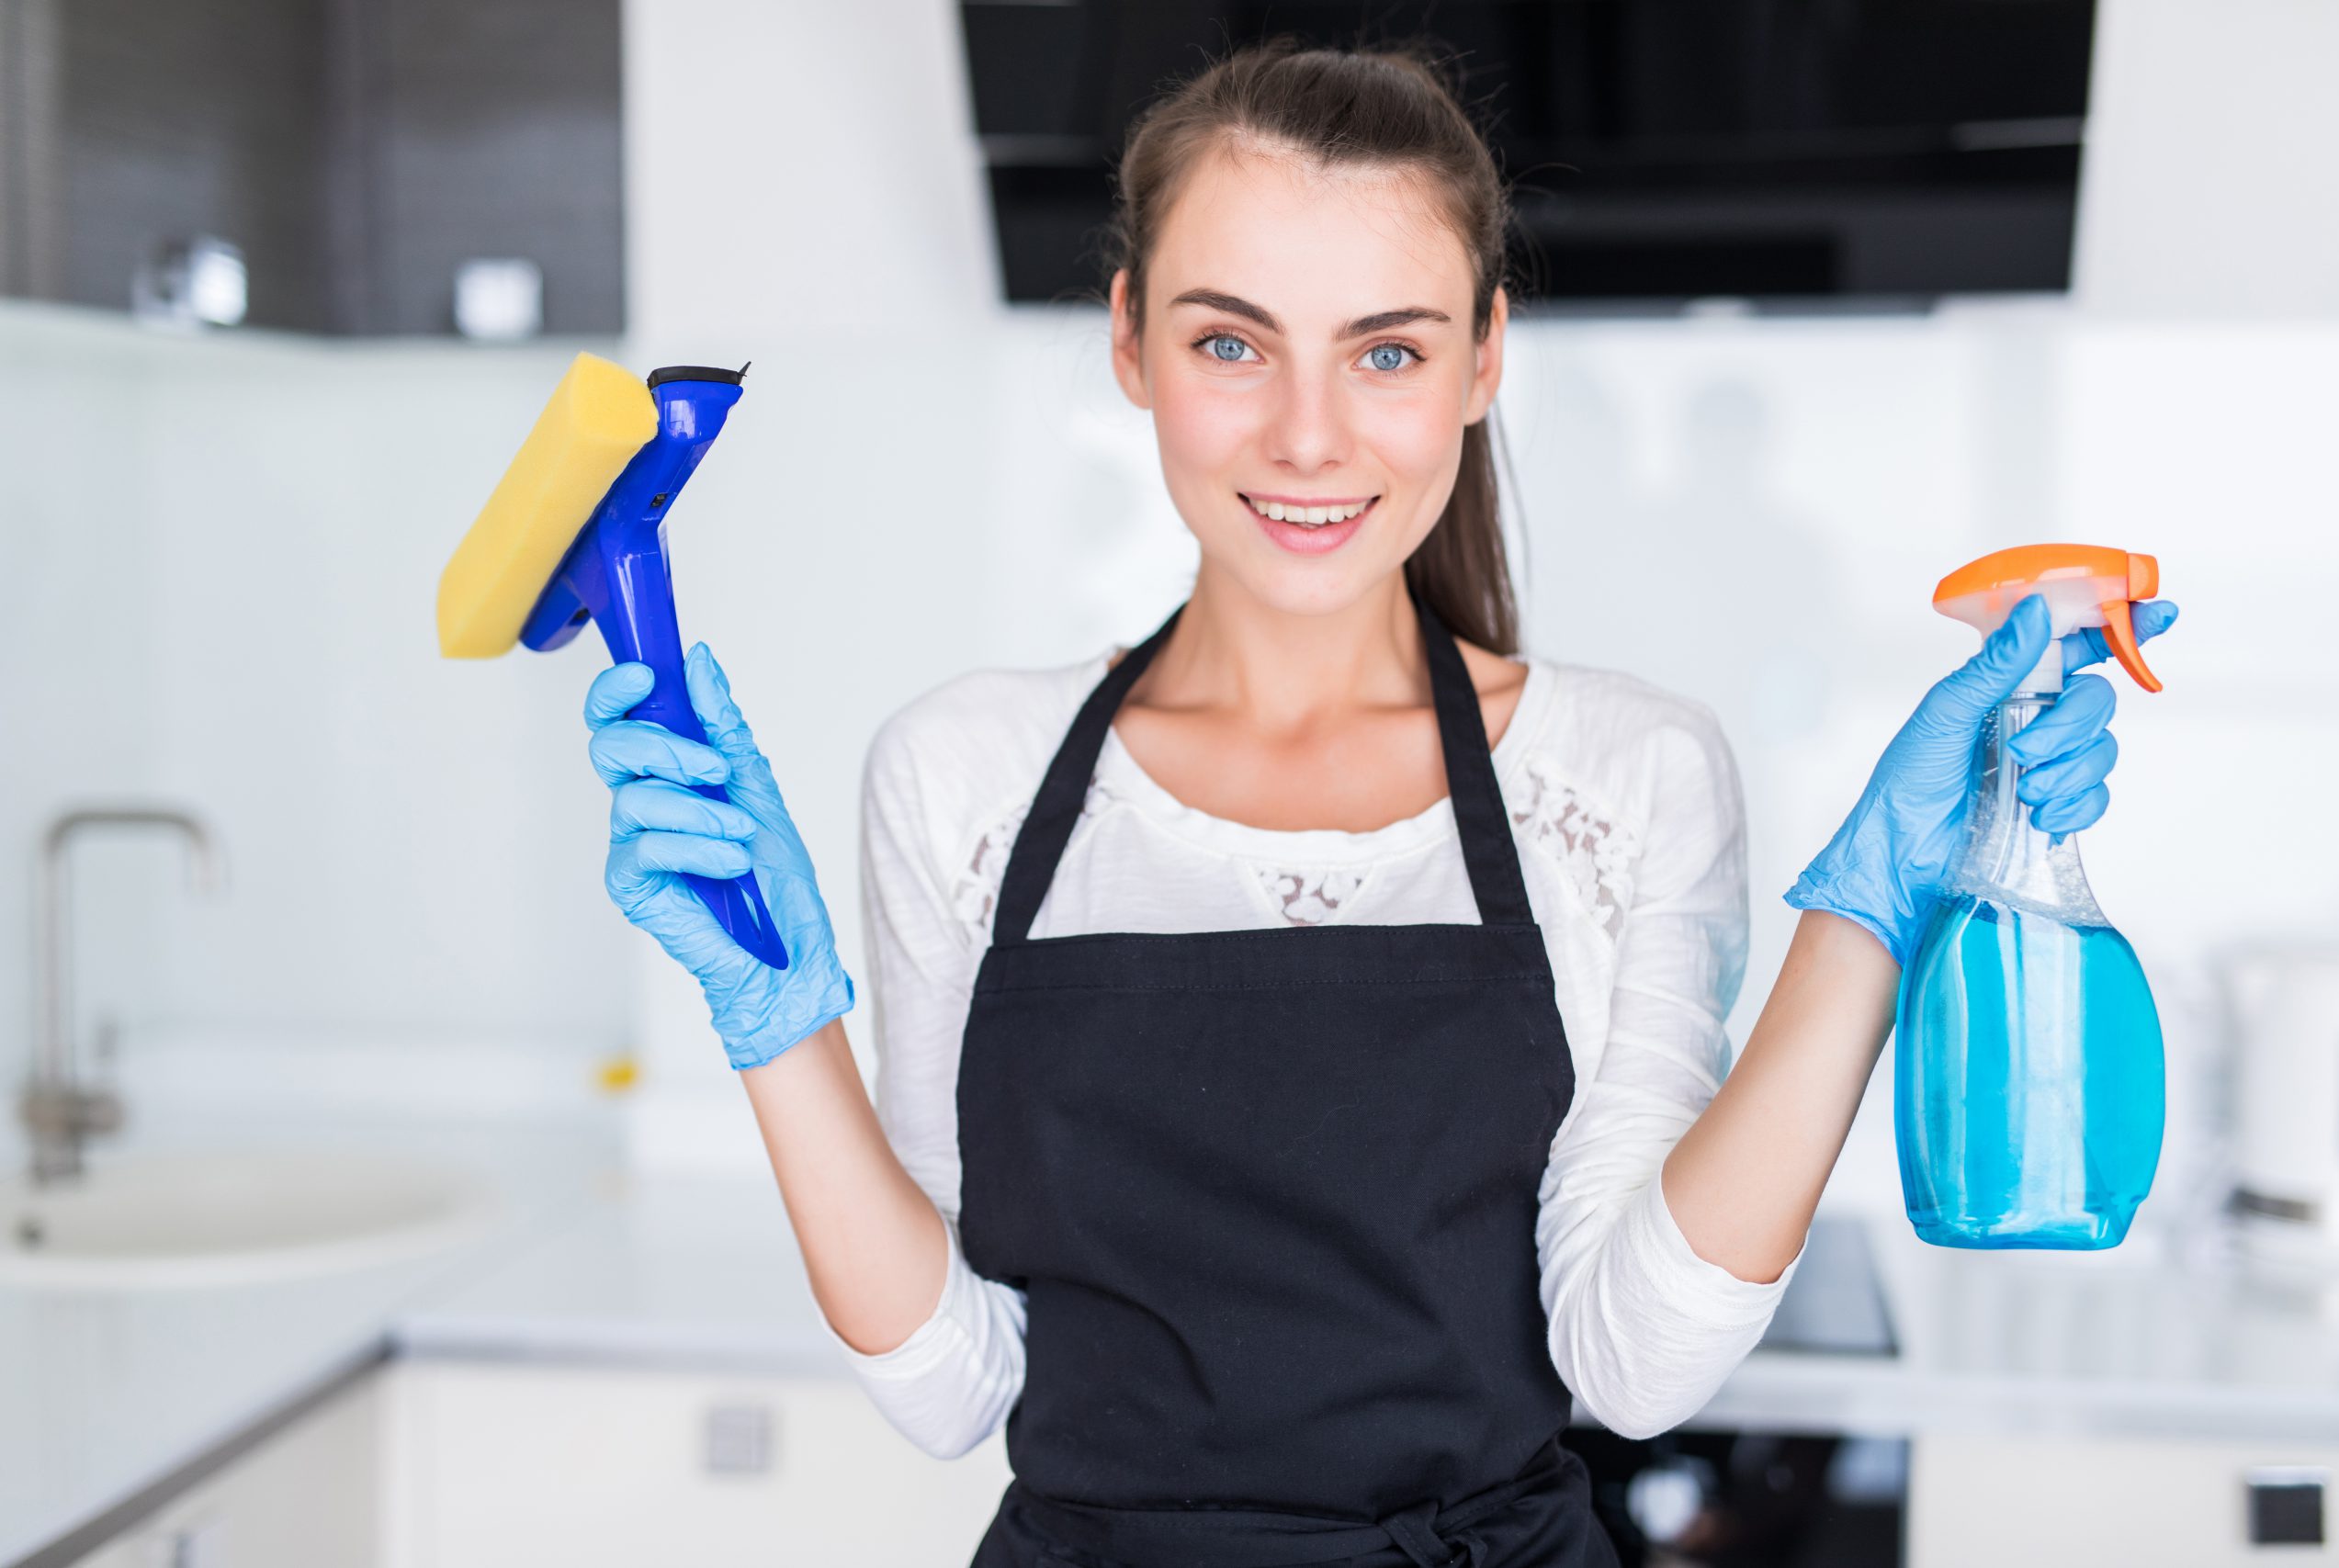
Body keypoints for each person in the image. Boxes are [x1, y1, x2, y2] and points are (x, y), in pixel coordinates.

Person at [581, 39, 2176, 1568]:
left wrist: (1867, 926)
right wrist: (776, 1026)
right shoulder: (964, 774)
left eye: (1388, 350)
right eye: (1230, 342)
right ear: (1130, 338)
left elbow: (1628, 1363)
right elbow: (959, 1385)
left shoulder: (1626, 777)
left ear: (1484, 357)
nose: (1308, 434)